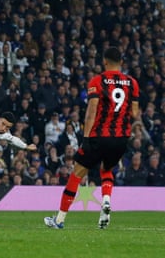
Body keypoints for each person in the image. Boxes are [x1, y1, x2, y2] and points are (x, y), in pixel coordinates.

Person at [44, 47, 139, 229]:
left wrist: (86, 137)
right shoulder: (132, 83)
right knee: (106, 169)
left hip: (98, 136)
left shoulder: (98, 80)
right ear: (121, 62)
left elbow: (91, 111)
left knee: (77, 175)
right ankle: (105, 200)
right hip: (120, 138)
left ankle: (59, 220)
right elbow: (134, 113)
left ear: (104, 61)